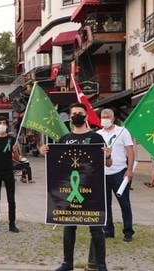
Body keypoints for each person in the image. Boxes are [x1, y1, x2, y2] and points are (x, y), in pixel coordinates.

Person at [40, 103, 112, 271]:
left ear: (86, 116)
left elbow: (108, 164)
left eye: (80, 113)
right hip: (70, 190)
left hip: (92, 190)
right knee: (69, 226)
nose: (77, 116)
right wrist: (45, 152)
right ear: (70, 118)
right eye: (74, 113)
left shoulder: (96, 138)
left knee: (96, 227)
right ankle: (67, 263)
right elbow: (56, 164)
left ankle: (101, 265)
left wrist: (108, 155)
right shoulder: (64, 139)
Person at [96, 108, 135, 242]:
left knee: (124, 203)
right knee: (105, 204)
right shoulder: (98, 134)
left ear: (113, 118)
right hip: (103, 173)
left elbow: (130, 151)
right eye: (103, 116)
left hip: (120, 172)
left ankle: (128, 231)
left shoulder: (122, 132)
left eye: (107, 116)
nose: (105, 118)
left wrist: (129, 170)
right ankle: (108, 230)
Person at [0, 116, 21, 233]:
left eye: (4, 123)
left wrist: (15, 151)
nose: (2, 125)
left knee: (11, 199)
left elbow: (18, 158)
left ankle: (12, 224)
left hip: (8, 172)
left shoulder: (11, 139)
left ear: (7, 125)